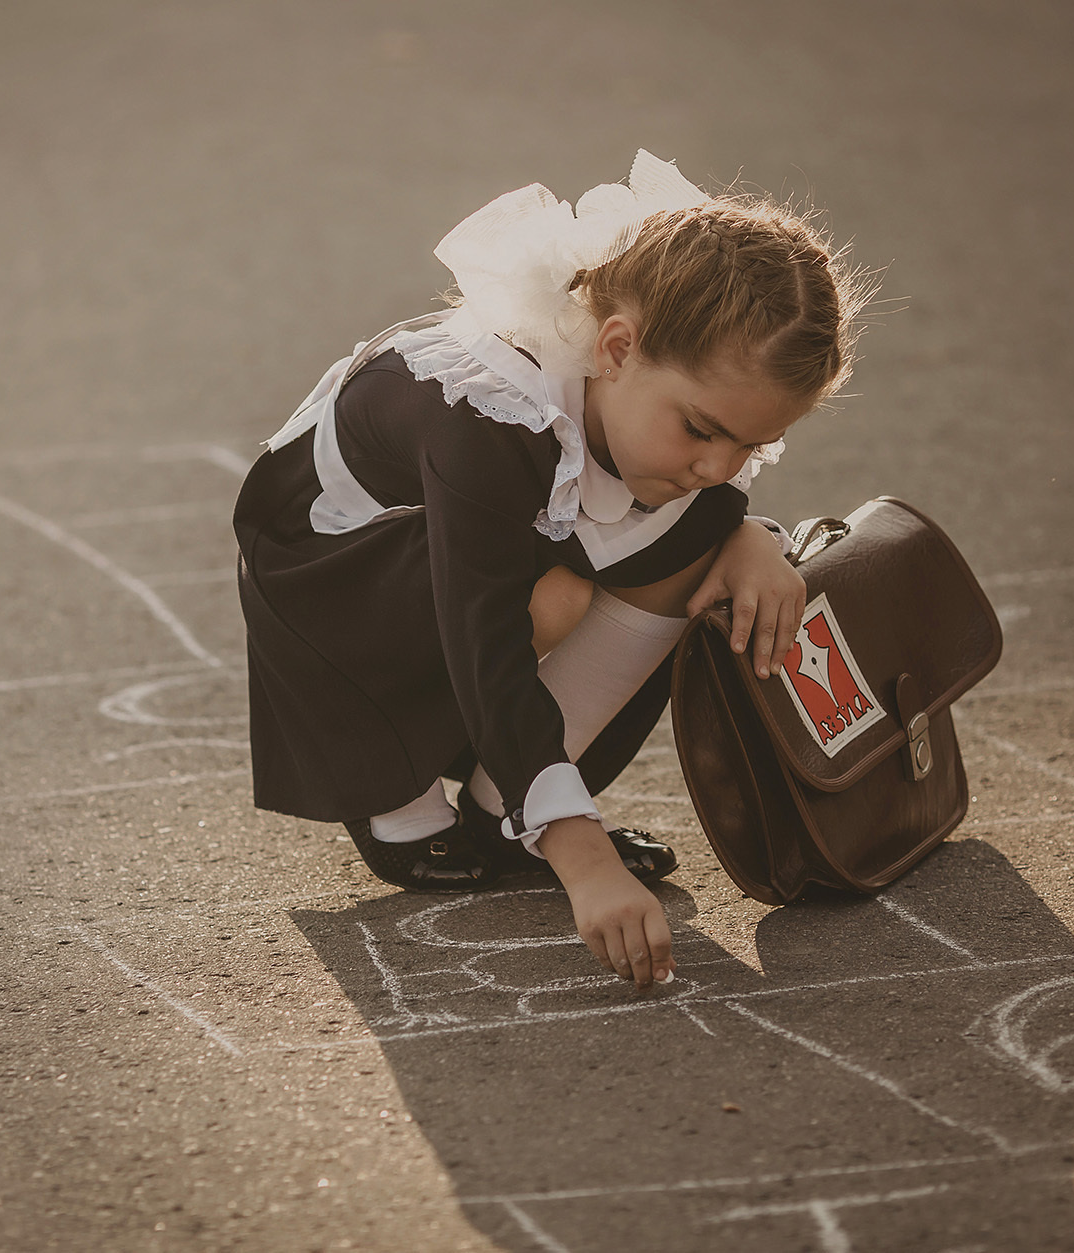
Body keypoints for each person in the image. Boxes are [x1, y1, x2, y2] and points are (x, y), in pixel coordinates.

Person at [232, 150, 867, 988]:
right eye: (701, 429)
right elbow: (483, 634)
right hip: (331, 581)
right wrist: (583, 853)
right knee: (552, 596)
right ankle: (403, 806)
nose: (719, 467)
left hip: (458, 557)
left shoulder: (655, 419)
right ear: (616, 347)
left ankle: (506, 809)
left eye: (752, 444)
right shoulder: (486, 409)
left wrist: (747, 539)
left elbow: (677, 522)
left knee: (684, 561)